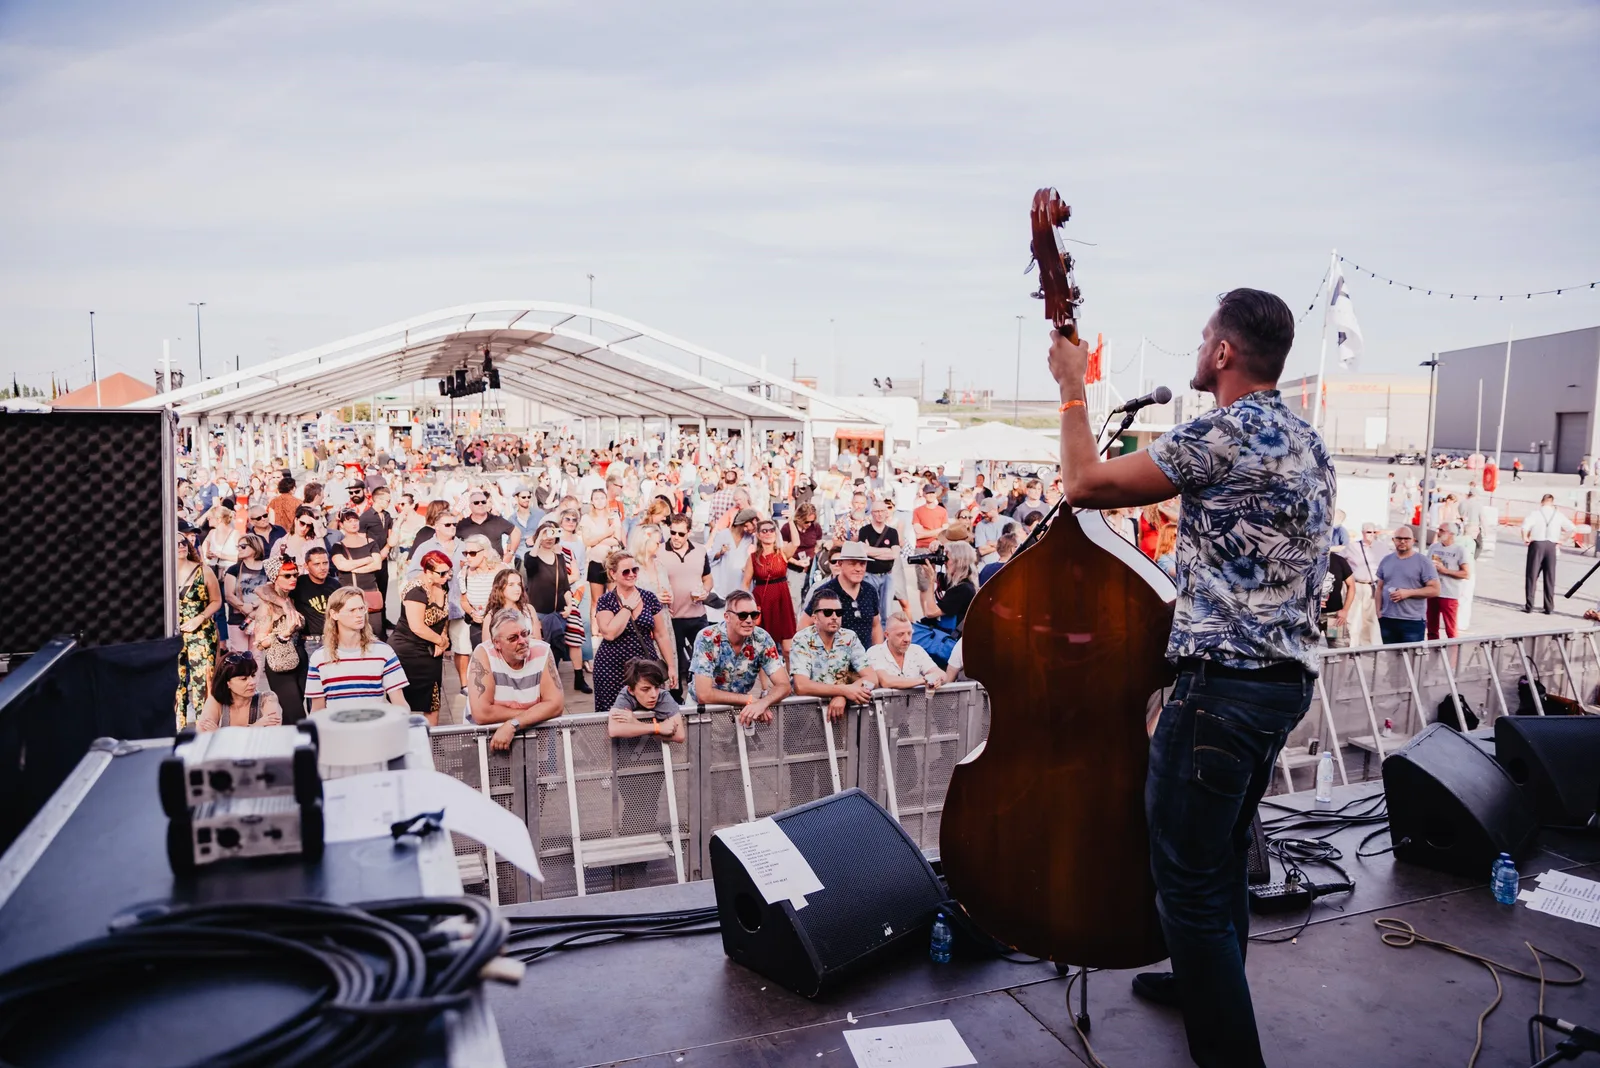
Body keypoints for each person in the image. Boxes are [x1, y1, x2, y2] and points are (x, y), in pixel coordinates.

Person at [1047, 287, 1334, 1068]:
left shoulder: (1220, 434)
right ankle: (1206, 981)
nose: (1199, 346)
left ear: (1225, 352)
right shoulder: (1309, 441)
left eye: (1206, 335)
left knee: (1190, 887)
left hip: (1222, 692)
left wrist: (1071, 384)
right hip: (1283, 687)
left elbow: (1084, 484)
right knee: (1225, 850)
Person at [592, 550, 677, 715]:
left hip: (645, 666)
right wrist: (627, 608)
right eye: (626, 571)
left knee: (650, 711)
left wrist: (671, 666)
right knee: (615, 713)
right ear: (613, 574)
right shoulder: (606, 601)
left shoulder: (649, 597)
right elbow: (609, 633)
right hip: (612, 667)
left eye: (634, 570)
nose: (631, 574)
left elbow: (661, 634)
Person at [466, 608, 564, 751]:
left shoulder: (542, 651)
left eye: (524, 634)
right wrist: (536, 713)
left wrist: (513, 724)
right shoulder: (483, 655)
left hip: (536, 742)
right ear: (497, 643)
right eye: (513, 638)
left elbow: (556, 705)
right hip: (487, 742)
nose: (522, 641)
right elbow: (482, 713)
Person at [606, 657, 687, 829]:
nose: (653, 694)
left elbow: (679, 735)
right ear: (631, 689)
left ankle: (644, 836)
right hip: (627, 765)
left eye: (656, 687)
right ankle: (635, 838)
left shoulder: (662, 696)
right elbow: (614, 729)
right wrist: (657, 727)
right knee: (634, 807)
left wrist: (635, 723)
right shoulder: (625, 695)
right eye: (645, 689)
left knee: (650, 806)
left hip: (655, 764)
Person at [690, 590, 791, 726]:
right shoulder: (707, 638)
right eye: (742, 615)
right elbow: (704, 694)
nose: (749, 620)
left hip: (741, 710)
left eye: (754, 615)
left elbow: (784, 685)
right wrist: (749, 699)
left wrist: (763, 703)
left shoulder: (762, 638)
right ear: (727, 617)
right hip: (702, 711)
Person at [305, 587, 409, 711]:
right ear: (334, 614)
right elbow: (317, 711)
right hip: (337, 723)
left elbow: (400, 704)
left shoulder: (383, 652)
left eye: (361, 608)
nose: (359, 615)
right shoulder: (320, 658)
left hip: (376, 722)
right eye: (352, 610)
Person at [790, 589, 879, 723]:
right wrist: (844, 690)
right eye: (827, 612)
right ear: (815, 618)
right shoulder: (802, 639)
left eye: (839, 612)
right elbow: (801, 686)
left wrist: (843, 695)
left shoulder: (849, 637)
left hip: (839, 716)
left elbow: (872, 678)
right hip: (804, 716)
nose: (834, 617)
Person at [390, 549, 454, 723]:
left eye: (449, 572)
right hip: (407, 652)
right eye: (442, 573)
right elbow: (417, 626)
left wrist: (443, 636)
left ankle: (430, 737)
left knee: (433, 702)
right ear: (428, 572)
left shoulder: (442, 585)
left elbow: (444, 615)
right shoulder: (416, 591)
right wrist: (442, 642)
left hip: (430, 652)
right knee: (402, 705)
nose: (447, 576)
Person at [524, 519, 587, 692]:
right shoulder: (531, 556)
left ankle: (556, 684)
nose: (549, 537)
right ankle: (540, 685)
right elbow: (529, 565)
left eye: (553, 533)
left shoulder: (559, 557)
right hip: (538, 612)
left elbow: (565, 586)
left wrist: (569, 605)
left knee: (557, 648)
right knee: (539, 649)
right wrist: (539, 538)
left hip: (558, 612)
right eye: (546, 533)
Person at [175, 533, 222, 730]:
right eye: (176, 543)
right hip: (174, 635)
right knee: (176, 682)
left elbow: (217, 601)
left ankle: (204, 727)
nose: (181, 546)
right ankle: (178, 728)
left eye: (184, 542)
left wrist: (200, 618)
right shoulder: (164, 573)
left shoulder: (203, 570)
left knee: (203, 682)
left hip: (201, 633)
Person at [801, 541, 883, 650]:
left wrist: (877, 653)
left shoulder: (870, 590)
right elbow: (804, 625)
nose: (858, 568)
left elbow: (875, 626)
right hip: (833, 658)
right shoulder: (824, 592)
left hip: (865, 657)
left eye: (862, 564)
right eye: (852, 564)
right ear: (840, 564)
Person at [253, 556, 307, 722]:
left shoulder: (292, 598)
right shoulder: (267, 606)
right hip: (279, 662)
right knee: (296, 715)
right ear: (274, 577)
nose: (293, 579)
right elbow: (259, 643)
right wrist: (284, 634)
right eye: (287, 575)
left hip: (300, 657)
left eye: (295, 575)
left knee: (293, 715)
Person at [1376, 525, 1439, 645]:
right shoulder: (1386, 560)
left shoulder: (1423, 562)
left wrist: (1408, 593)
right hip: (1388, 619)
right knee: (1391, 655)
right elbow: (1379, 587)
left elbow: (1435, 590)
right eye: (1399, 538)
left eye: (1406, 539)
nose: (1402, 541)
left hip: (1412, 620)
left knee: (1411, 656)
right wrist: (1378, 612)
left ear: (1413, 540)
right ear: (1393, 540)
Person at [743, 518, 798, 651]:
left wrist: (791, 521)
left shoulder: (782, 552)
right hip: (762, 601)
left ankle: (787, 666)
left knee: (787, 648)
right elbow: (745, 583)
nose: (768, 533)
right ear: (758, 535)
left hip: (782, 600)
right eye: (764, 531)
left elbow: (796, 542)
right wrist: (748, 605)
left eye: (772, 530)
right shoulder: (753, 557)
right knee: (763, 647)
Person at [331, 507, 386, 637]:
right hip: (349, 592)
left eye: (355, 520)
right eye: (349, 521)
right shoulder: (338, 546)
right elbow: (342, 565)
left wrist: (354, 569)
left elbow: (377, 564)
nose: (353, 523)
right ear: (341, 524)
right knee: (352, 632)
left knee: (375, 631)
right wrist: (367, 559)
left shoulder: (370, 541)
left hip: (370, 590)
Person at [196, 652, 283, 731]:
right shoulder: (215, 700)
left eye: (253, 675)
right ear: (227, 683)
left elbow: (272, 733)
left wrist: (219, 734)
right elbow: (202, 734)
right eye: (243, 679)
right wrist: (255, 726)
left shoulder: (268, 698)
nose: (252, 682)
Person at [1521, 493, 1572, 614]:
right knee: (1550, 576)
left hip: (1537, 545)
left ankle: (1529, 605)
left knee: (1532, 575)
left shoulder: (1535, 513)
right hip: (1551, 546)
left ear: (1542, 502)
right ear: (1552, 503)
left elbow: (1524, 527)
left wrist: (1525, 538)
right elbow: (1572, 528)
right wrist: (1562, 540)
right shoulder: (1558, 515)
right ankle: (1549, 607)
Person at [867, 612, 944, 690]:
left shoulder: (917, 650)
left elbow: (942, 675)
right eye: (900, 634)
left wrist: (937, 679)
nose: (907, 639)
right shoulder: (875, 652)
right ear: (887, 635)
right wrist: (924, 680)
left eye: (909, 633)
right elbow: (886, 681)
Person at [222, 534, 270, 653]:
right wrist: (243, 607)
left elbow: (270, 593)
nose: (239, 549)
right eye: (238, 546)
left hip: (260, 617)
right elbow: (228, 595)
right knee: (239, 654)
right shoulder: (233, 569)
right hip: (238, 619)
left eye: (243, 546)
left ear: (255, 547)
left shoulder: (267, 569)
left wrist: (253, 606)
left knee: (257, 655)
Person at [914, 540, 978, 631]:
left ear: (959, 561)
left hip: (954, 637)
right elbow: (929, 575)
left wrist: (930, 581)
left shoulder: (963, 589)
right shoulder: (958, 580)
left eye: (947, 559)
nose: (944, 562)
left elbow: (930, 612)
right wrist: (932, 556)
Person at [459, 534, 505, 652]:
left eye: (472, 553)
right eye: (465, 553)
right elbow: (463, 601)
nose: (468, 557)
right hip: (478, 627)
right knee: (482, 658)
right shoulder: (464, 573)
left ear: (485, 552)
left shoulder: (501, 570)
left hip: (501, 624)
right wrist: (472, 613)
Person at [1341, 524, 1385, 647]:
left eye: (1374, 532)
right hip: (1355, 585)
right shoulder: (1352, 546)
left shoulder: (1382, 547)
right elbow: (1339, 560)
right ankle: (1350, 645)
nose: (1371, 535)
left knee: (1370, 618)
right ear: (1363, 533)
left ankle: (1366, 646)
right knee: (1351, 617)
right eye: (1369, 532)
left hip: (1373, 586)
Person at [857, 500, 900, 628]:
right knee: (870, 610)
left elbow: (894, 554)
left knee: (887, 611)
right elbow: (863, 551)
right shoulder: (864, 531)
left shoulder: (892, 532)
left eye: (882, 511)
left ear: (886, 513)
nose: (879, 514)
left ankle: (884, 636)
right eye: (876, 511)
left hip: (887, 575)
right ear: (872, 513)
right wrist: (886, 551)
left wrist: (872, 551)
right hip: (870, 575)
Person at [708, 507, 759, 610]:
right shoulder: (723, 534)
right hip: (724, 578)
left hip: (741, 579)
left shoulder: (750, 537)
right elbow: (711, 557)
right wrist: (721, 552)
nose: (754, 528)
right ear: (745, 522)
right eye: (753, 524)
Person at [358, 485, 395, 622]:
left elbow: (390, 535)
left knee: (383, 590)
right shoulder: (365, 517)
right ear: (378, 500)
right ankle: (374, 622)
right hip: (371, 559)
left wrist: (387, 549)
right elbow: (361, 539)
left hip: (384, 558)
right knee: (372, 592)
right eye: (387, 500)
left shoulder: (387, 515)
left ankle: (384, 620)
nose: (389, 503)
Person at [1427, 522, 1470, 640]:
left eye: (1442, 531)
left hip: (1449, 593)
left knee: (1450, 628)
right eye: (1438, 530)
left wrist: (1445, 571)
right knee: (1431, 627)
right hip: (1433, 591)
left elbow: (1466, 574)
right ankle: (1433, 648)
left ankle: (1453, 649)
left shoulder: (1460, 550)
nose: (1438, 533)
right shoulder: (1434, 547)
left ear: (1451, 533)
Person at [780, 502, 823, 614]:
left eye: (812, 521)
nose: (809, 524)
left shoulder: (815, 527)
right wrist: (797, 562)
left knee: (811, 599)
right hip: (793, 568)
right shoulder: (787, 528)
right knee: (795, 600)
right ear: (799, 518)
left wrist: (813, 555)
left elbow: (818, 545)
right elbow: (782, 552)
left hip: (810, 568)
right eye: (806, 522)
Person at [458, 487, 519, 561]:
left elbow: (516, 532)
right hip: (473, 565)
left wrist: (511, 553)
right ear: (470, 506)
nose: (480, 504)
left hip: (496, 564)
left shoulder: (496, 520)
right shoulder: (463, 525)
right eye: (476, 502)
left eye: (483, 502)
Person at [1321, 544, 1353, 649]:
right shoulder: (1305, 561)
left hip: (1334, 617)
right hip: (1310, 617)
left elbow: (1351, 586)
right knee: (1305, 653)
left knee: (1339, 650)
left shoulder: (1339, 561)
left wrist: (1345, 610)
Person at [911, 483, 947, 549]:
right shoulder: (917, 511)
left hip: (938, 545)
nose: (931, 495)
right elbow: (918, 534)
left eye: (933, 492)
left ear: (936, 494)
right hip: (922, 546)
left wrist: (925, 533)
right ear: (924, 494)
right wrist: (939, 531)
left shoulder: (943, 511)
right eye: (928, 493)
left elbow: (945, 532)